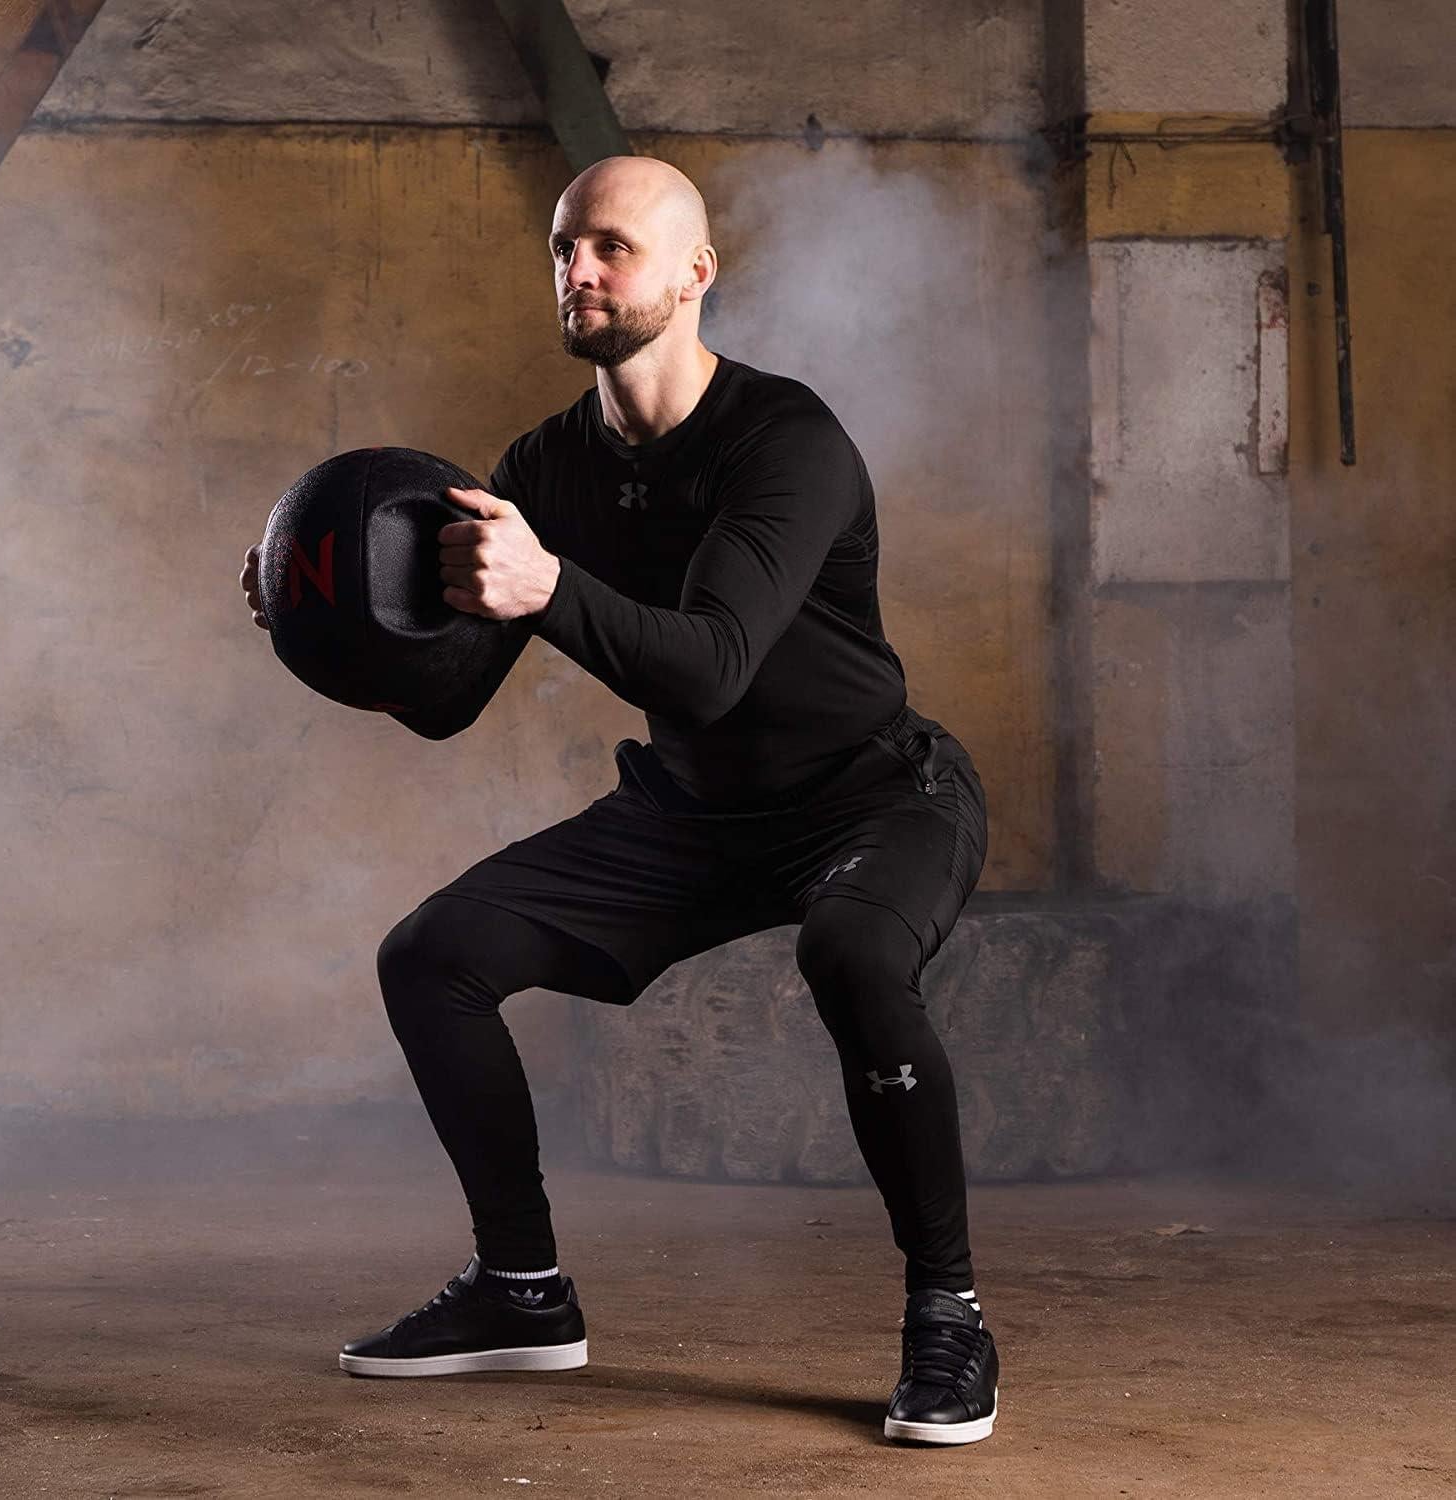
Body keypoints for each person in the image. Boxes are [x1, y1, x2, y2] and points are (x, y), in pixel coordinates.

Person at [240, 155, 997, 1445]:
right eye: (561, 248)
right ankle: (523, 1292)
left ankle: (949, 1314)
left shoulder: (788, 441)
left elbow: (707, 668)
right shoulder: (546, 464)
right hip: (691, 817)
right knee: (432, 956)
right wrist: (327, 633)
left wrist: (546, 588)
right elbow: (449, 703)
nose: (577, 271)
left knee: (854, 948)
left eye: (612, 248)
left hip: (872, 798)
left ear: (696, 274)